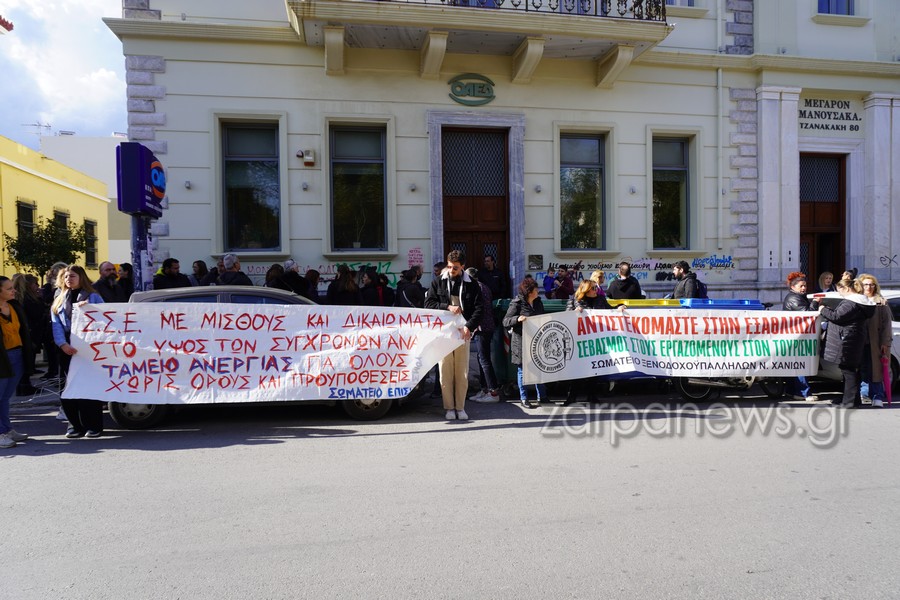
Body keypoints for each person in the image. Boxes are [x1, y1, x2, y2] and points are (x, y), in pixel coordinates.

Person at [425, 250, 483, 421]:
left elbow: (479, 308)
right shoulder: (438, 282)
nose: (451, 270)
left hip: (462, 332)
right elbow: (428, 304)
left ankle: (460, 407)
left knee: (462, 371)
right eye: (450, 267)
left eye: (455, 268)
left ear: (462, 267)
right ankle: (449, 408)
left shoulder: (472, 284)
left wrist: (469, 327)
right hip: (443, 333)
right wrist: (447, 307)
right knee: (445, 371)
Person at [51, 266, 106, 438]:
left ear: (81, 277)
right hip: (66, 349)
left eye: (72, 276)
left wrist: (90, 309)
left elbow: (106, 318)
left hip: (88, 348)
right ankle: (74, 425)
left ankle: (93, 425)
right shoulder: (59, 298)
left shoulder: (93, 296)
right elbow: (55, 324)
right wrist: (62, 344)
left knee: (88, 387)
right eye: (66, 276)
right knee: (67, 388)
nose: (69, 279)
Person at [818, 278, 875, 408]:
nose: (840, 294)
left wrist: (822, 309)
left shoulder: (851, 303)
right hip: (854, 338)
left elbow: (837, 316)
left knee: (848, 371)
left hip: (847, 339)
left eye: (840, 290)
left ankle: (848, 402)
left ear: (847, 289)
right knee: (851, 371)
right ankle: (852, 399)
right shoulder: (859, 302)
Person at [0, 276, 34, 448]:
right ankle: (0, 433)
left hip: (17, 355)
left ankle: (7, 429)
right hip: (2, 358)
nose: (13, 290)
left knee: (6, 398)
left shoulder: (14, 306)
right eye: (8, 288)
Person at [503, 277, 547, 409]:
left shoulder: (538, 302)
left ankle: (542, 397)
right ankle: (524, 398)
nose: (538, 291)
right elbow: (505, 321)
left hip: (536, 340)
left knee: (539, 368)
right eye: (535, 290)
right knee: (522, 370)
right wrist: (518, 319)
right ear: (529, 292)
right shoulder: (517, 303)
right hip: (521, 341)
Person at [782, 272, 820, 402]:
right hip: (797, 337)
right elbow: (807, 315)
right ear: (793, 287)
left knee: (795, 365)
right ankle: (803, 393)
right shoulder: (794, 299)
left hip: (795, 336)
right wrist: (815, 303)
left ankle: (792, 391)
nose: (804, 288)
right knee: (800, 365)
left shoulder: (797, 297)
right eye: (801, 286)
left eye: (805, 286)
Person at [466, 268, 500, 404]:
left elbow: (477, 309)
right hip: (486, 326)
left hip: (482, 327)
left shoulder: (476, 288)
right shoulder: (483, 286)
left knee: (484, 360)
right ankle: (485, 389)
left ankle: (493, 391)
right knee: (482, 359)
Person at [858, 274, 892, 408]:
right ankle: (865, 394)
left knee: (876, 370)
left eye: (871, 284)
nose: (868, 287)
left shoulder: (880, 302)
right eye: (865, 284)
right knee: (864, 369)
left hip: (876, 343)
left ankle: (877, 396)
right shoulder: (858, 300)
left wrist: (885, 342)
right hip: (860, 342)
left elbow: (886, 325)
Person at [13, 275, 43, 396]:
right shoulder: (28, 299)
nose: (37, 286)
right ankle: (25, 386)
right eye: (35, 284)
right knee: (26, 360)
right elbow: (36, 313)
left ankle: (23, 385)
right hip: (29, 334)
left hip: (27, 334)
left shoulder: (20, 298)